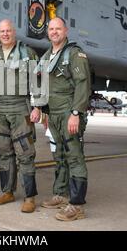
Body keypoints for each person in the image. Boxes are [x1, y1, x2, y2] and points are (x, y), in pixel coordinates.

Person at [0, 19, 41, 213]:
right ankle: (7, 191)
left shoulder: (27, 53)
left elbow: (38, 81)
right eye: (2, 31)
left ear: (14, 32)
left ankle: (29, 197)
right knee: (5, 152)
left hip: (20, 107)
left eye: (8, 31)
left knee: (25, 153)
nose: (5, 34)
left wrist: (37, 107)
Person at [39, 17, 91, 221]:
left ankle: (77, 205)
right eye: (51, 29)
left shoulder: (74, 54)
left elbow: (83, 85)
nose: (54, 32)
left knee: (74, 157)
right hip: (53, 115)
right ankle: (61, 194)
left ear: (65, 30)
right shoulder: (47, 56)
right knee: (59, 155)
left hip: (69, 113)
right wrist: (44, 111)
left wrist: (76, 113)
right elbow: (43, 85)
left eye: (58, 28)